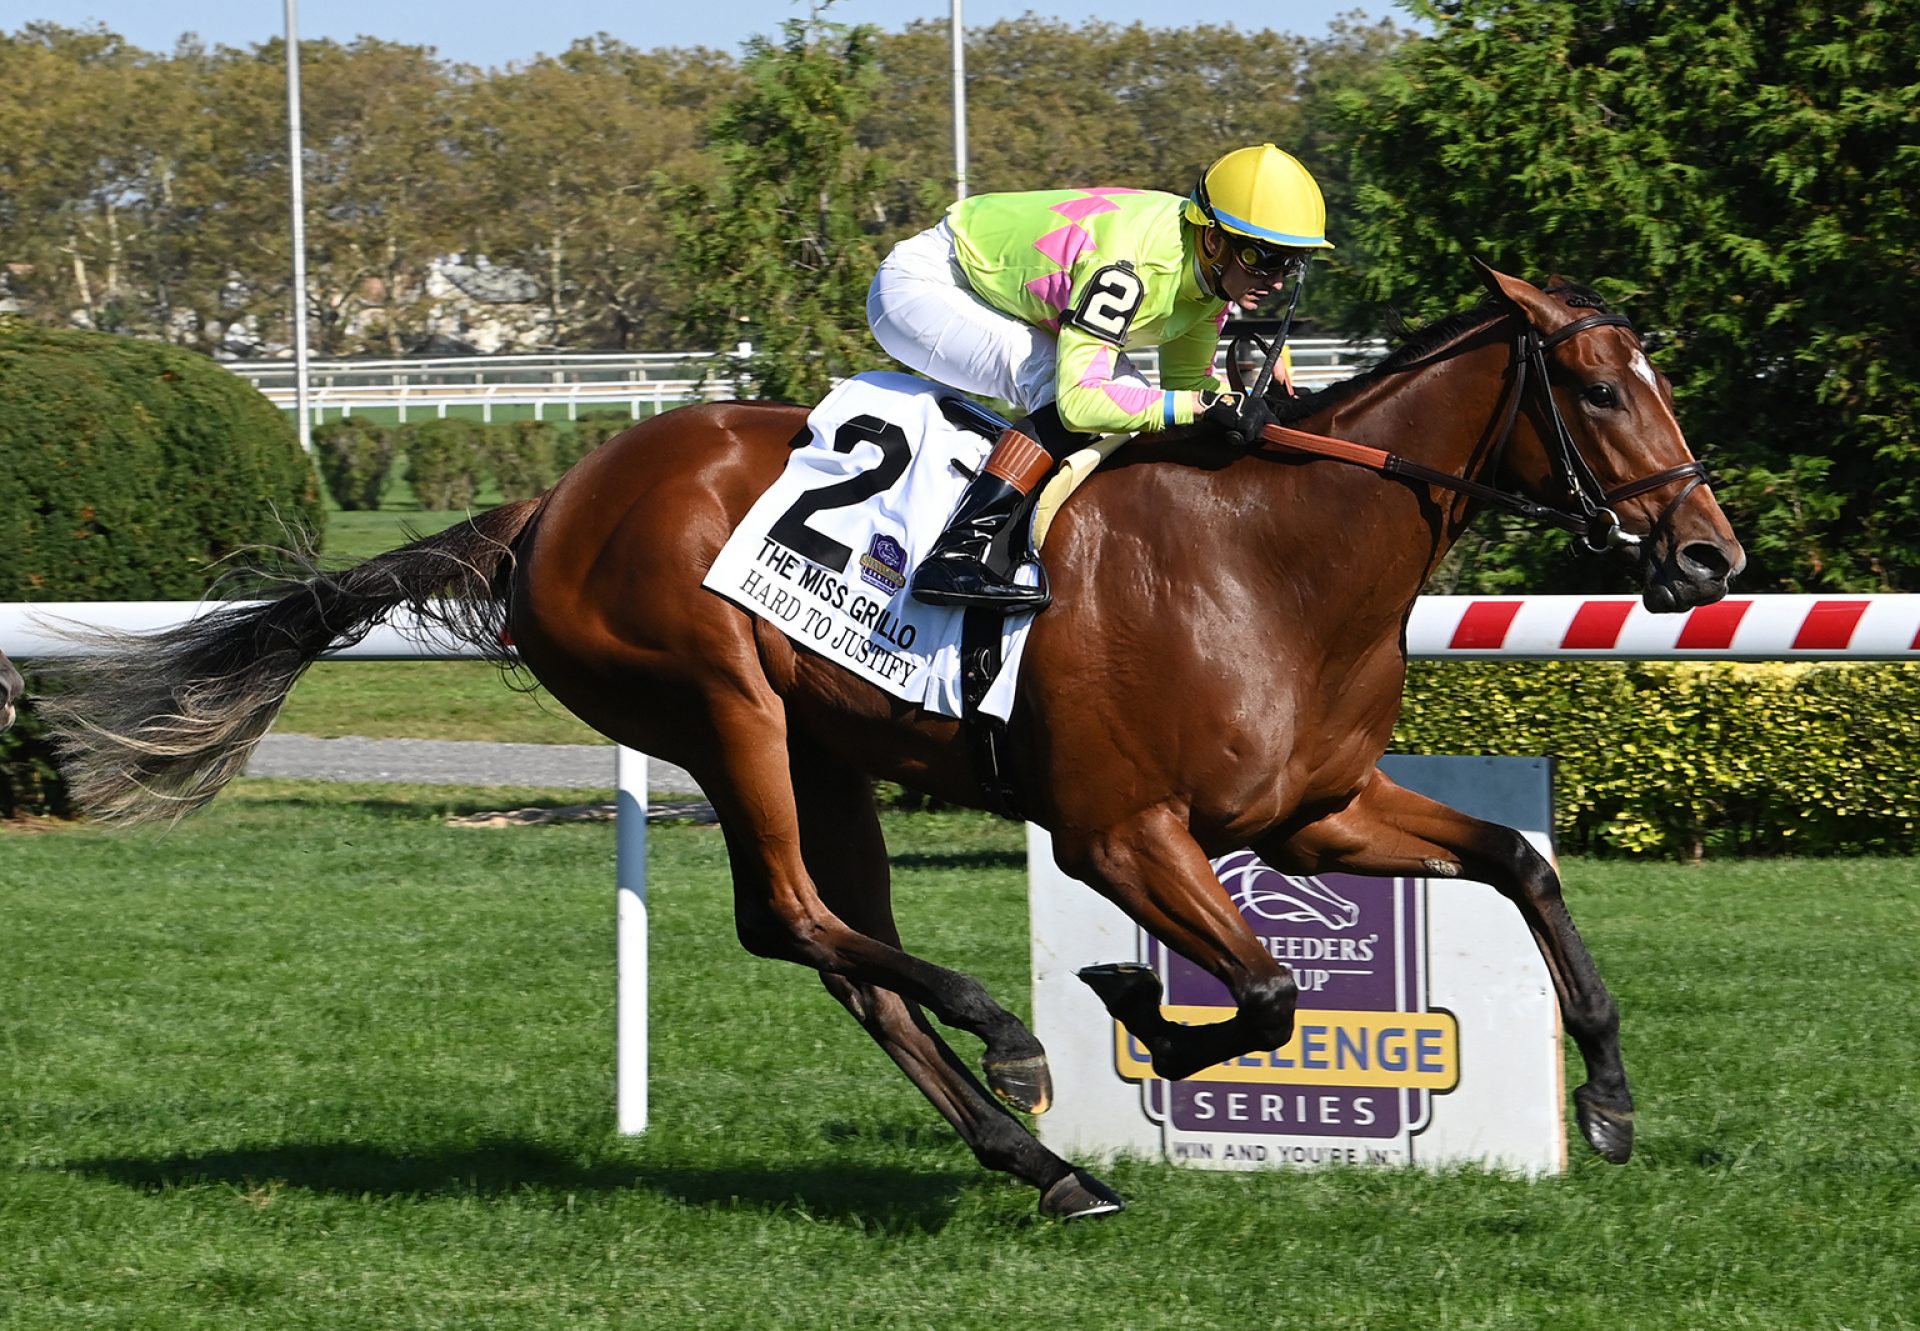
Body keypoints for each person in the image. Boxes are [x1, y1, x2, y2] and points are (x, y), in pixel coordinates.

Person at [867, 142, 1335, 610]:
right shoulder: (1130, 269)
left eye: (1291, 262)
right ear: (1213, 240)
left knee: (1136, 401)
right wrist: (1202, 405)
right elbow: (1080, 402)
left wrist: (1250, 407)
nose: (1277, 280)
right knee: (1074, 390)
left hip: (986, 291)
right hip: (925, 285)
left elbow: (1188, 387)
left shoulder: (1212, 279)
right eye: (1263, 258)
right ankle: (955, 554)